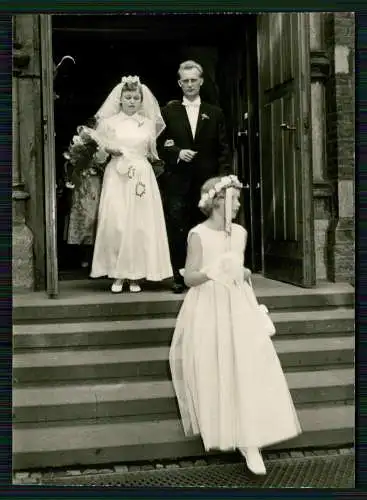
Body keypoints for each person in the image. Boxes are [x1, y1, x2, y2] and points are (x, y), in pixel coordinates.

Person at [169, 175, 302, 475]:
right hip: (209, 304)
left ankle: (251, 439)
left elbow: (241, 269)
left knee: (249, 364)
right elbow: (189, 277)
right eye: (235, 198)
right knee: (218, 365)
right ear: (217, 201)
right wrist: (212, 271)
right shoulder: (198, 235)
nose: (239, 204)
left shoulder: (240, 232)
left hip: (238, 303)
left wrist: (243, 272)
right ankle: (226, 430)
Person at [90, 75, 173, 293]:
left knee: (139, 224)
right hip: (117, 174)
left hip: (140, 174)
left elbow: (152, 153)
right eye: (128, 97)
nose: (132, 101)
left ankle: (135, 275)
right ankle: (117, 274)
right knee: (116, 222)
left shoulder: (147, 123)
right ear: (120, 99)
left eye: (136, 98)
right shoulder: (108, 123)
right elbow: (98, 154)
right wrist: (109, 150)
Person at [158, 60, 232, 294]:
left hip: (206, 182)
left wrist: (222, 181)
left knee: (207, 228)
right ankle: (181, 275)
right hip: (178, 180)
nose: (189, 85)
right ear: (179, 83)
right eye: (185, 81)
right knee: (179, 227)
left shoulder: (215, 113)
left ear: (200, 82)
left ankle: (208, 275)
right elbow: (158, 145)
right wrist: (177, 152)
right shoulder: (168, 112)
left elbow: (224, 149)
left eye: (194, 80)